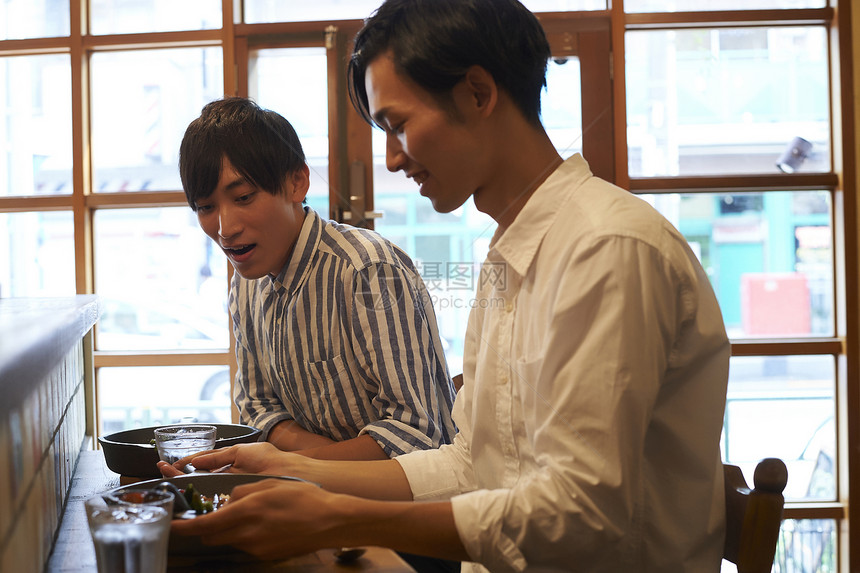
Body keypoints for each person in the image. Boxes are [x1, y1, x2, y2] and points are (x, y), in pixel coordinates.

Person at [163, 1, 731, 571]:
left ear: (478, 93)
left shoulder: (608, 248)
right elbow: (471, 465)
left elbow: (579, 516)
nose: (389, 160)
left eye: (398, 125)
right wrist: (291, 471)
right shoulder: (510, 255)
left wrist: (337, 514)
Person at [175, 96, 457, 461]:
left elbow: (418, 433)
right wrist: (310, 464)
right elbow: (256, 406)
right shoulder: (246, 283)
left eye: (243, 197)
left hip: (404, 507)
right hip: (309, 496)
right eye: (205, 208)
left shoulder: (367, 271)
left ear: (297, 182)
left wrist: (299, 464)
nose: (225, 228)